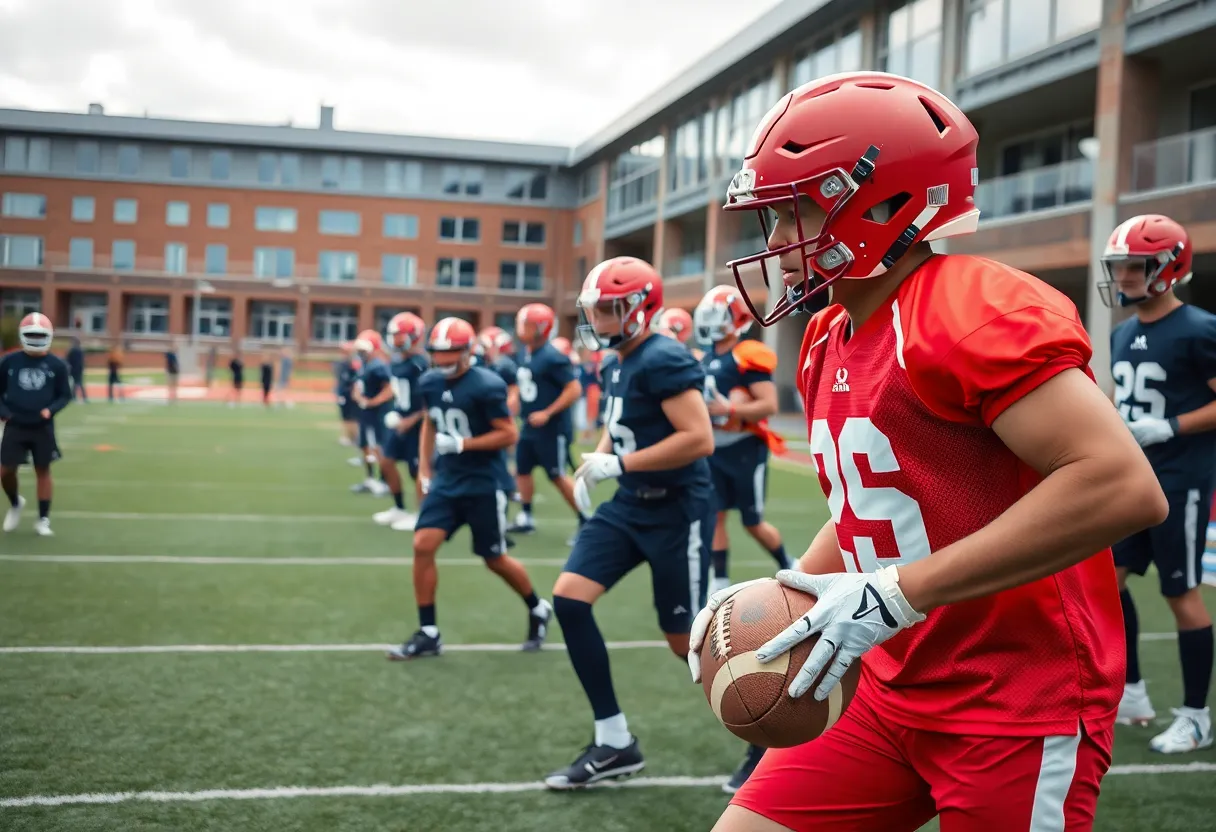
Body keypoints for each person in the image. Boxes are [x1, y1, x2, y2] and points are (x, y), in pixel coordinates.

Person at [688, 71, 1168, 831]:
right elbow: (873, 507)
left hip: (1012, 695)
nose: (777, 245)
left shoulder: (970, 307)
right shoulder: (827, 333)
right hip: (886, 678)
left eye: (793, 214)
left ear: (880, 203)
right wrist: (795, 589)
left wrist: (896, 594)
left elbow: (1119, 486)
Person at [544, 256, 715, 790]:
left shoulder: (663, 357)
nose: (598, 319)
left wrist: (617, 464)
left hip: (676, 509)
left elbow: (698, 439)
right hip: (629, 503)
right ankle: (615, 741)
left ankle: (768, 730)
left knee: (682, 639)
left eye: (609, 308)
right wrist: (595, 463)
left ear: (639, 308)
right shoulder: (616, 358)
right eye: (595, 309)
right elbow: (616, 426)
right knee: (569, 601)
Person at [1102, 213, 1215, 754]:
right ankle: (1132, 691)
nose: (1123, 276)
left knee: (1181, 594)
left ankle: (1196, 716)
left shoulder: (1198, 328)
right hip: (1133, 480)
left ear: (1169, 268)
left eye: (1134, 266)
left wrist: (1168, 426)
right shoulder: (1122, 332)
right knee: (1109, 579)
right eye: (1118, 266)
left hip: (1180, 481)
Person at [387, 317, 552, 660]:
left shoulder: (486, 384)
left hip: (483, 482)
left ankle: (537, 607)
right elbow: (430, 423)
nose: (444, 361)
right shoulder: (429, 381)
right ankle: (429, 631)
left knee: (493, 558)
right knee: (422, 544)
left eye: (451, 354)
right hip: (448, 480)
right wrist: (425, 469)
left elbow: (509, 434)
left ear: (466, 352)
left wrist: (463, 444)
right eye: (439, 353)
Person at [692, 284, 792, 792]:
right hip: (716, 450)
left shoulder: (749, 352)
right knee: (714, 521)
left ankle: (788, 559)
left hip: (743, 452)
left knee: (752, 520)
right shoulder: (708, 355)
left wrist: (727, 407)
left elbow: (766, 403)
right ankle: (721, 580)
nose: (709, 323)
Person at [508, 303, 587, 539]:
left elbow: (574, 389)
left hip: (551, 429)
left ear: (542, 328)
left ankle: (587, 520)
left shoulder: (553, 356)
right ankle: (526, 516)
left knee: (558, 475)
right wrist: (515, 399)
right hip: (529, 426)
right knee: (522, 470)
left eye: (528, 325)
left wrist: (548, 412)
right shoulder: (525, 353)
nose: (522, 329)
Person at [1, 314, 72, 536]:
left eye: (39, 335)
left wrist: (50, 410)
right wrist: (5, 414)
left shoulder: (57, 365)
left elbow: (65, 395)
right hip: (16, 426)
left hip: (42, 427)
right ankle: (15, 502)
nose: (35, 338)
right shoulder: (9, 362)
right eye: (31, 334)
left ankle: (43, 519)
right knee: (5, 471)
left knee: (43, 470)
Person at [374, 312, 430, 532]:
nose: (396, 340)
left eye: (401, 335)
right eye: (394, 335)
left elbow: (431, 401)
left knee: (418, 470)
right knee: (386, 462)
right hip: (401, 423)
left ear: (414, 336)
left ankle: (422, 514)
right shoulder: (398, 361)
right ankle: (399, 507)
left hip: (419, 425)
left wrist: (412, 419)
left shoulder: (421, 364)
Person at [350, 330, 393, 497]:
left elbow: (390, 389)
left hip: (377, 414)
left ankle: (383, 481)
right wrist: (358, 395)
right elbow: (359, 385)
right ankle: (370, 479)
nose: (361, 353)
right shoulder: (366, 364)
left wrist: (373, 402)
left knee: (378, 447)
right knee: (365, 446)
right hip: (366, 413)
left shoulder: (379, 365)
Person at [66, 337, 86, 402]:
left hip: (73, 369)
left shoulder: (71, 351)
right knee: (79, 383)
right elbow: (82, 361)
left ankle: (73, 396)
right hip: (79, 369)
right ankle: (83, 397)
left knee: (75, 384)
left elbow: (68, 360)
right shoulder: (80, 351)